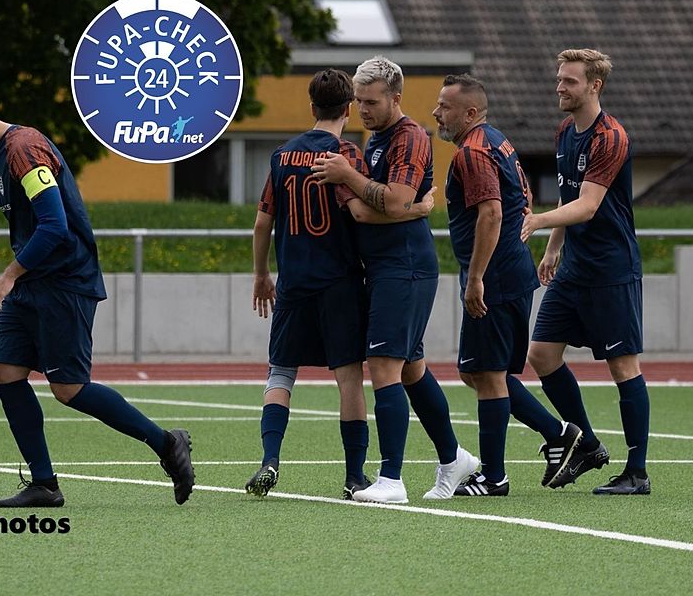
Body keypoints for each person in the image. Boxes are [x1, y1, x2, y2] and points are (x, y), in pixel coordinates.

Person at [0, 97, 194, 507]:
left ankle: (166, 443)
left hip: (63, 283)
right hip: (33, 285)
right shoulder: (1, 157)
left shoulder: (24, 149)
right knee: (5, 372)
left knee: (68, 389)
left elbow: (55, 227)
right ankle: (44, 484)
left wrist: (9, 275)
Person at [246, 69, 432, 499]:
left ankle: (270, 460)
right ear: (348, 108)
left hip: (294, 280)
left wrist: (261, 275)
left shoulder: (282, 155)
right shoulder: (345, 152)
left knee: (280, 373)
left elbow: (261, 223)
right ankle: (354, 476)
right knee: (348, 379)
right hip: (340, 282)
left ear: (311, 107)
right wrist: (419, 209)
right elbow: (366, 212)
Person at [313, 56, 477, 504]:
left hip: (404, 266)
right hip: (388, 266)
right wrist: (398, 204)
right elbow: (382, 207)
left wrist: (349, 178)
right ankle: (453, 457)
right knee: (409, 369)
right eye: (358, 102)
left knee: (383, 366)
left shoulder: (409, 137)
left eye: (371, 101)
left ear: (396, 98)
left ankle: (390, 479)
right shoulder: (379, 137)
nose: (362, 109)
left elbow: (395, 199)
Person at [432, 74, 583, 496]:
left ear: (471, 113)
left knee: (489, 373)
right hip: (508, 269)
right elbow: (517, 200)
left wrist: (476, 276)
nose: (436, 112)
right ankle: (560, 433)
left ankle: (494, 476)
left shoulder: (473, 152)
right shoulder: (496, 140)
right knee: (477, 371)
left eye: (444, 106)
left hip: (496, 274)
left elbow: (492, 213)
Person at [520, 49, 651, 494]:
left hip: (611, 269)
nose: (560, 87)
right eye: (559, 79)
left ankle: (637, 472)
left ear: (594, 86)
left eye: (569, 81)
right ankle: (589, 445)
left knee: (623, 365)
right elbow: (567, 196)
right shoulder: (564, 131)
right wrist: (554, 249)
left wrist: (537, 223)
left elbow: (590, 205)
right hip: (575, 269)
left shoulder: (610, 137)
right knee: (541, 355)